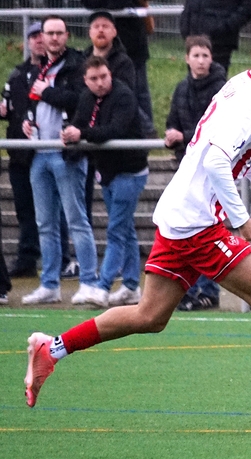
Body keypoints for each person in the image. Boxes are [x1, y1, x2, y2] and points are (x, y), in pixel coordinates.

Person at [24, 11, 251, 433]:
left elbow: (239, 157)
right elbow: (218, 160)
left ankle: (52, 348)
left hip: (179, 214)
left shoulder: (239, 85)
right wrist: (240, 219)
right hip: (199, 224)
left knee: (150, 315)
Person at [20, 15, 103, 307]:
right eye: (49, 33)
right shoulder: (36, 68)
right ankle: (49, 285)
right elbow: (31, 102)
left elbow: (82, 100)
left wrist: (48, 93)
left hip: (66, 153)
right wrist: (28, 122)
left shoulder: (77, 65)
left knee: (77, 220)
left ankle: (89, 282)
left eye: (59, 33)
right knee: (45, 223)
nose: (53, 38)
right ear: (41, 37)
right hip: (39, 153)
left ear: (67, 35)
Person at [62, 56, 148, 308]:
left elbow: (114, 130)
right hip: (107, 172)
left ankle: (102, 287)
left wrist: (81, 134)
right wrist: (69, 133)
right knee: (125, 230)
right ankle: (131, 286)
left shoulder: (124, 96)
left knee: (116, 231)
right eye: (94, 79)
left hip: (129, 172)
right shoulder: (86, 98)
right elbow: (80, 123)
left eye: (104, 77)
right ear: (85, 80)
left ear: (110, 74)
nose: (100, 83)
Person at [164, 35, 228, 311]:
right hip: (186, 166)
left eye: (205, 55)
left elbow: (217, 127)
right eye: (196, 55)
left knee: (207, 228)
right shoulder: (181, 88)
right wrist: (171, 134)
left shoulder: (221, 89)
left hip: (212, 168)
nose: (201, 61)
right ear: (187, 59)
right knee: (187, 228)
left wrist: (184, 136)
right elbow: (172, 121)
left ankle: (209, 290)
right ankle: (188, 289)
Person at [80, 0, 154, 135]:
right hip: (106, 41)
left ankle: (147, 130)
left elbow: (120, 0)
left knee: (139, 88)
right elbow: (85, 0)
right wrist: (104, 2)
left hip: (131, 37)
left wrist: (99, 3)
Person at [2, 21, 46, 277]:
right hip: (19, 155)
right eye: (34, 36)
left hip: (45, 152)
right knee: (24, 210)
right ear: (28, 42)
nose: (39, 40)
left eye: (42, 35)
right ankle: (26, 259)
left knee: (50, 213)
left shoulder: (56, 74)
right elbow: (7, 107)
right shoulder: (17, 74)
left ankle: (58, 261)